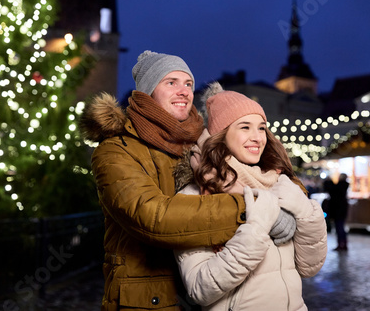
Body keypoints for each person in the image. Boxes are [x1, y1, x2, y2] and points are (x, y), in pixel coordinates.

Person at [78, 50, 294, 310]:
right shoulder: (116, 149)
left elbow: (266, 168)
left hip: (210, 297)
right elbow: (153, 218)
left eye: (188, 84)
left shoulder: (202, 142)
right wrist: (253, 211)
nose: (184, 91)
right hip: (150, 298)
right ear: (147, 92)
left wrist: (292, 201)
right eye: (171, 82)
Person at [173, 83, 328, 310]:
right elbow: (199, 289)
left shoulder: (280, 182)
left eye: (262, 128)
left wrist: (305, 212)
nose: (257, 137)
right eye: (245, 127)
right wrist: (256, 228)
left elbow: (309, 267)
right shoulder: (197, 194)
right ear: (222, 135)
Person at [328, 173, 350, 251]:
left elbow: (332, 192)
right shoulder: (344, 186)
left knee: (339, 227)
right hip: (342, 210)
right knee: (341, 227)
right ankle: (343, 243)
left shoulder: (339, 186)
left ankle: (341, 244)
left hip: (338, 210)